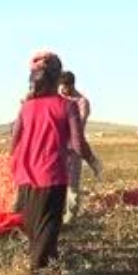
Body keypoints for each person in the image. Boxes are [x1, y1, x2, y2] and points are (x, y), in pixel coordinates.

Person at [10, 52, 101, 275]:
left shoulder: (26, 107)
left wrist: (16, 165)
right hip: (50, 177)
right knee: (46, 232)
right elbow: (78, 143)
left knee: (34, 230)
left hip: (25, 177)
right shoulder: (66, 107)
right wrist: (93, 161)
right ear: (56, 79)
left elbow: (15, 139)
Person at [58, 71, 91, 224]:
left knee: (72, 183)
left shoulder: (82, 102)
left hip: (73, 148)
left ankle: (69, 218)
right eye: (61, 87)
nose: (62, 90)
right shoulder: (58, 98)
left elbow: (78, 126)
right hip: (57, 147)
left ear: (72, 85)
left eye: (65, 87)